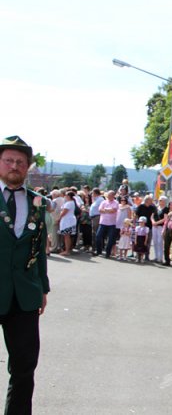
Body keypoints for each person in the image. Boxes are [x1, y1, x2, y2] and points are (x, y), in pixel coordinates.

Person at [0, 135, 50, 413]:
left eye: (20, 162)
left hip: (25, 295)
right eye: (8, 160)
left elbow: (39, 249)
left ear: (27, 167)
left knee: (24, 367)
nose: (14, 166)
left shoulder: (37, 202)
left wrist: (42, 287)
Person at [135, 195, 156, 261]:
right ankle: (138, 255)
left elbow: (154, 215)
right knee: (139, 241)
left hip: (149, 227)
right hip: (140, 227)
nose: (152, 201)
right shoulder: (140, 207)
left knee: (148, 242)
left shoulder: (152, 207)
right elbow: (136, 215)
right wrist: (136, 224)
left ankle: (147, 256)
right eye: (150, 200)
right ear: (147, 200)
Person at [57, 191, 77, 256]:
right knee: (67, 236)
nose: (65, 196)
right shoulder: (71, 202)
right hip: (69, 220)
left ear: (68, 196)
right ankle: (67, 249)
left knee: (66, 236)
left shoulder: (69, 203)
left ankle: (67, 250)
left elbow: (64, 212)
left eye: (66, 195)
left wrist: (59, 218)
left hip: (67, 220)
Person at [151, 196, 169, 262]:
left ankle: (160, 258)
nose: (159, 201)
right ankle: (156, 256)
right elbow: (152, 216)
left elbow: (165, 219)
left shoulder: (166, 209)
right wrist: (153, 222)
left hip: (161, 227)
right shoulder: (155, 208)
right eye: (159, 200)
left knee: (160, 242)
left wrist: (157, 223)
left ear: (164, 201)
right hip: (154, 226)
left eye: (161, 200)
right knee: (155, 241)